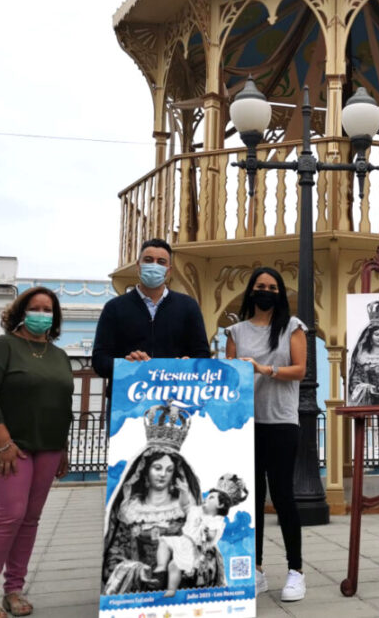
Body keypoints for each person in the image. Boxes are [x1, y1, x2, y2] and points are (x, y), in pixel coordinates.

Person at [0, 287, 74, 618]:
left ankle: (14, 589)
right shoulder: (5, 346)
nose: (42, 314)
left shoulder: (59, 356)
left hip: (49, 447)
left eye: (48, 310)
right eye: (35, 308)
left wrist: (64, 448)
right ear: (21, 312)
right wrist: (2, 442)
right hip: (9, 448)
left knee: (30, 520)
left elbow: (63, 405)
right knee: (9, 516)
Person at [224, 267, 308, 602]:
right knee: (252, 499)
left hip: (281, 422)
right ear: (250, 290)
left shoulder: (292, 328)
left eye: (272, 287)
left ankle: (296, 570)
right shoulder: (235, 331)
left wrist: (264, 369)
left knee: (284, 496)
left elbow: (300, 370)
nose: (266, 291)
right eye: (260, 286)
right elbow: (229, 375)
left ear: (280, 293)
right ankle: (254, 570)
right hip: (247, 424)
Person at [103, 406, 203, 595]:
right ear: (145, 471)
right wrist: (139, 572)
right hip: (139, 591)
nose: (163, 474)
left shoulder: (183, 509)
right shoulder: (130, 510)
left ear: (175, 473)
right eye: (157, 467)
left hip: (179, 587)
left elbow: (200, 551)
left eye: (168, 469)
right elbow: (114, 556)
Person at [92, 238, 210, 388]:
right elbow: (99, 360)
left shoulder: (188, 306)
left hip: (174, 397)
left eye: (161, 262)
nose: (154, 265)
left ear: (169, 270)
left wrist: (190, 363)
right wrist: (125, 364)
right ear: (138, 266)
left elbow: (203, 356)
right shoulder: (114, 308)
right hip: (126, 400)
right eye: (148, 260)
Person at [158, 473, 249, 595]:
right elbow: (185, 505)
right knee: (163, 543)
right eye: (207, 497)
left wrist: (207, 532)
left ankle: (174, 589)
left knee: (176, 566)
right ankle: (161, 566)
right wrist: (184, 491)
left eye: (211, 498)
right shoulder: (196, 511)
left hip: (197, 550)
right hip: (184, 542)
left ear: (220, 505)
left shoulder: (215, 520)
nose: (206, 499)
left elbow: (212, 536)